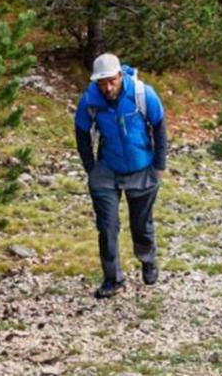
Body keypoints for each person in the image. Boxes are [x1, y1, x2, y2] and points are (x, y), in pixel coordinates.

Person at [74, 53, 168, 299]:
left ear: (120, 76)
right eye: (102, 83)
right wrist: (90, 167)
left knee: (141, 224)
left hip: (142, 167)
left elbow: (159, 126)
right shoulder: (90, 102)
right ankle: (112, 278)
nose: (107, 87)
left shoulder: (142, 94)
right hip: (107, 169)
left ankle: (147, 261)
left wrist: (159, 165)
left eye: (111, 81)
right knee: (107, 226)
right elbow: (81, 132)